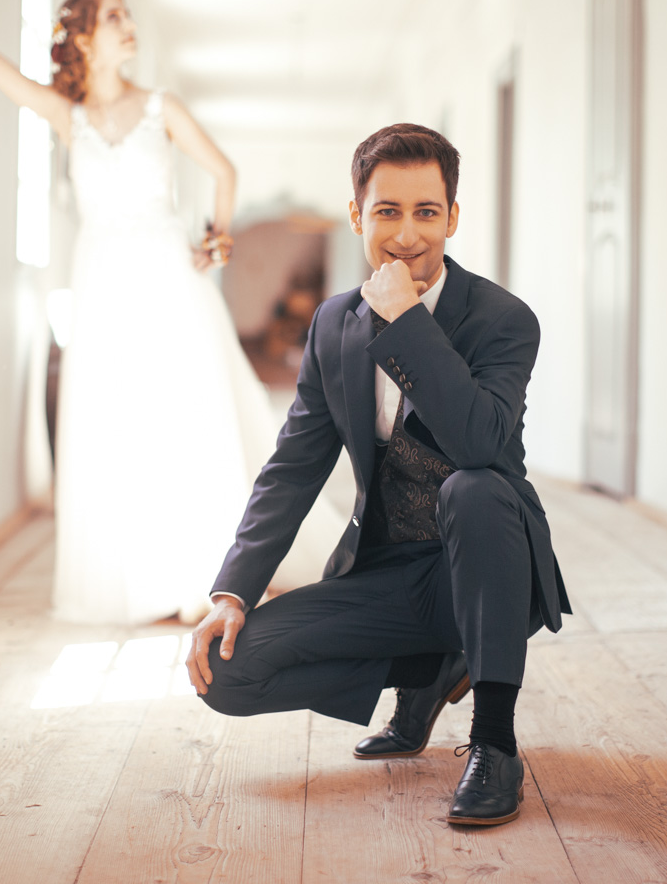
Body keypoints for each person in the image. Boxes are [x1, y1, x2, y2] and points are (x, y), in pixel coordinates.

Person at [0, 0, 342, 625]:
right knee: (116, 420)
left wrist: (217, 239)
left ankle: (210, 572)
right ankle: (134, 576)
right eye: (114, 18)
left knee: (183, 414)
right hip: (103, 280)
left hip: (168, 275)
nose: (128, 26)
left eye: (129, 15)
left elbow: (223, 170)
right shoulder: (66, 116)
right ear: (81, 36)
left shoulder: (161, 107)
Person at [184, 123, 571, 827]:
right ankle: (427, 672)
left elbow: (481, 443)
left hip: (485, 571)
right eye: (387, 211)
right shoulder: (333, 325)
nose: (407, 235)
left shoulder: (503, 321)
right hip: (390, 573)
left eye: (427, 212)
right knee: (228, 675)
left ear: (453, 217)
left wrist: (404, 322)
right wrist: (232, 592)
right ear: (357, 214)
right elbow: (294, 466)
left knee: (474, 487)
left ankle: (494, 743)